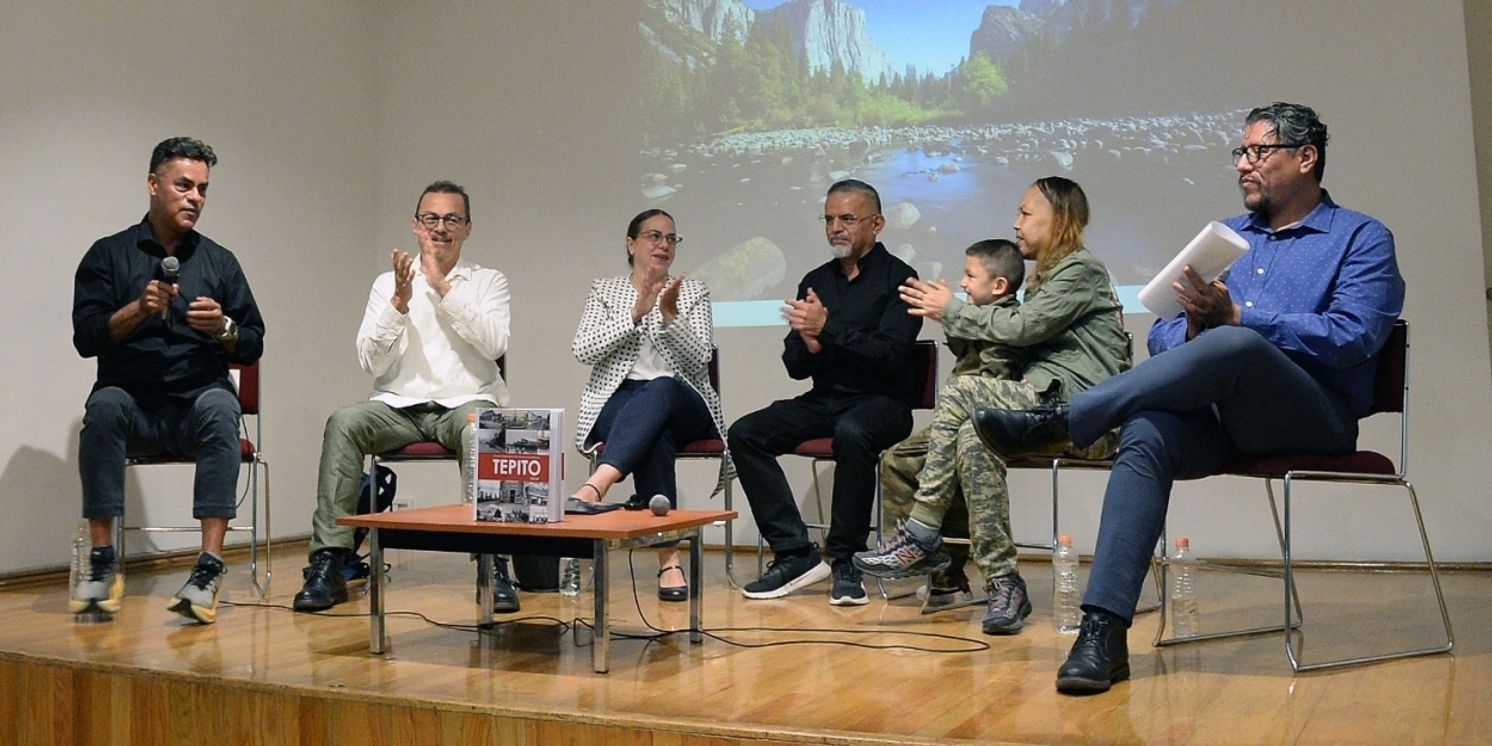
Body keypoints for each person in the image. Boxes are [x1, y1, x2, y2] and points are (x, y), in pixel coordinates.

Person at [973, 103, 1405, 693]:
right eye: (1241, 154)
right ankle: (1102, 634)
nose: (1243, 166)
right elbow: (1162, 333)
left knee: (1241, 343)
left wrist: (1239, 319)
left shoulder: (1360, 237)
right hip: (1223, 419)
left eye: (1259, 153)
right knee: (1149, 429)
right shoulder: (1226, 237)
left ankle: (1070, 417)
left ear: (1306, 159)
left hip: (1315, 417)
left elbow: (1354, 336)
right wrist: (1202, 329)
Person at [854, 178, 1130, 635]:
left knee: (963, 394)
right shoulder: (1044, 278)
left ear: (1057, 219)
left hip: (1084, 415)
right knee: (972, 437)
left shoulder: (1081, 270)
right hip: (1045, 410)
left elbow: (1024, 327)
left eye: (1025, 213)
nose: (1015, 223)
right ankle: (1003, 582)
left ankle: (922, 530)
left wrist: (953, 311)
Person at [293, 181, 515, 613]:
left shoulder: (488, 281)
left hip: (466, 401)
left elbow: (493, 344)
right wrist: (399, 301)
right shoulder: (387, 283)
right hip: (398, 406)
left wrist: (441, 287)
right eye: (431, 218)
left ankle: (493, 564)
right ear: (416, 225)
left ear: (468, 228)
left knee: (482, 429)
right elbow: (371, 362)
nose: (440, 228)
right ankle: (329, 562)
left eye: (452, 219)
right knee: (344, 422)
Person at [70, 137, 266, 624]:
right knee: (103, 409)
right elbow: (86, 336)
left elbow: (254, 340)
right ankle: (102, 563)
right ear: (154, 185)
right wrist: (138, 309)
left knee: (224, 407)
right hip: (133, 403)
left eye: (202, 189)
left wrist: (222, 327)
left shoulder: (220, 262)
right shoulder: (108, 255)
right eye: (184, 185)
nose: (195, 197)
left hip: (196, 403)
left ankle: (208, 567)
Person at [730, 179, 921, 606]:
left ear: (877, 224)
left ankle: (846, 559)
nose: (836, 228)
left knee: (853, 433)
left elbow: (891, 356)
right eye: (830, 219)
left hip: (883, 402)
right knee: (746, 432)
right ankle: (795, 553)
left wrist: (827, 330)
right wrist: (813, 344)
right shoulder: (816, 281)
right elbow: (795, 364)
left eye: (847, 219)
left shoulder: (901, 279)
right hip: (825, 399)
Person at [853, 240, 1026, 616]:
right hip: (957, 417)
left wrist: (955, 313)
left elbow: (994, 374)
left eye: (970, 275)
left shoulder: (1011, 321)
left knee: (963, 460)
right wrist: (949, 316)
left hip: (989, 420)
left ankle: (950, 571)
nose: (963, 284)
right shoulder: (976, 314)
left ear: (998, 286)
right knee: (898, 460)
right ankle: (928, 562)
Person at [570, 209, 729, 601]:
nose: (663, 245)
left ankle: (598, 485)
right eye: (654, 236)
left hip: (684, 399)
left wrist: (671, 318)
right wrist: (634, 315)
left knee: (661, 387)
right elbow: (583, 349)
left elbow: (700, 358)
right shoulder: (605, 290)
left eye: (671, 238)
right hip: (618, 402)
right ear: (631, 243)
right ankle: (669, 561)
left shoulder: (693, 291)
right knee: (654, 435)